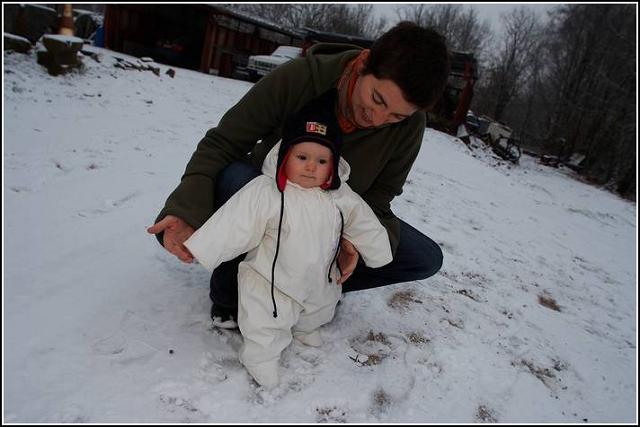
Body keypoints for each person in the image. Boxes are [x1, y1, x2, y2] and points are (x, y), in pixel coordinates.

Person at [147, 21, 449, 327]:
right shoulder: (302, 78)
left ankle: (308, 289)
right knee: (236, 180)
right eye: (377, 99)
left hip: (329, 216)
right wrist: (186, 209)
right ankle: (234, 291)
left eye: (396, 116)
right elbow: (222, 143)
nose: (377, 119)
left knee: (423, 257)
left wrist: (351, 241)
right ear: (363, 65)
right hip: (270, 196)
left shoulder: (410, 128)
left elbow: (380, 198)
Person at [183, 90, 392, 388]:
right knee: (265, 319)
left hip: (319, 277)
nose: (311, 167)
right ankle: (259, 356)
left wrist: (379, 252)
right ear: (285, 157)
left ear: (333, 165)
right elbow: (236, 221)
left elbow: (365, 223)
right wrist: (203, 248)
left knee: (321, 306)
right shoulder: (267, 192)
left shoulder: (340, 196)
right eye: (302, 157)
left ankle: (306, 329)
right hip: (273, 281)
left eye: (322, 161)